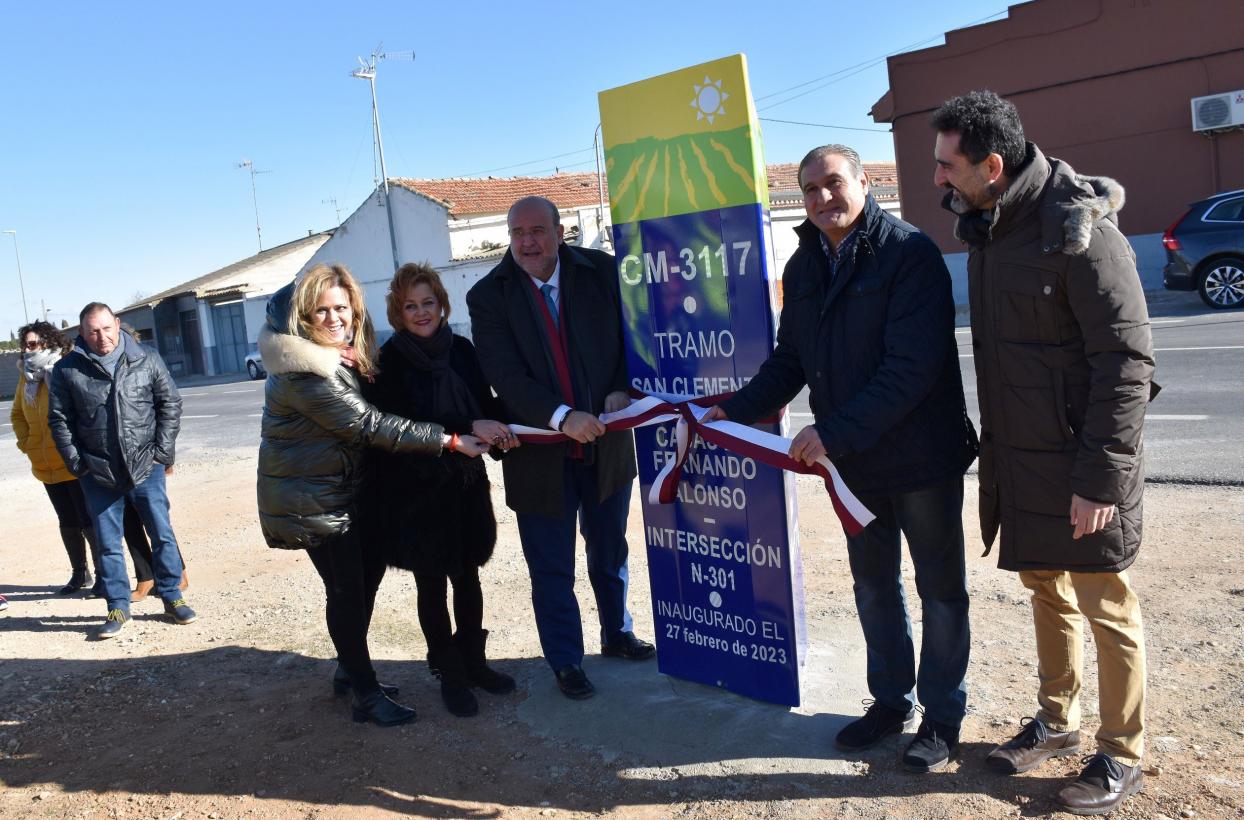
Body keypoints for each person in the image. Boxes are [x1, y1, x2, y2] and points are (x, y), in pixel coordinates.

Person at [705, 144, 978, 772]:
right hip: (856, 468)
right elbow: (792, 359)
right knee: (874, 588)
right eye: (810, 189)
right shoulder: (803, 265)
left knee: (941, 594)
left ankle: (941, 717)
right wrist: (738, 410)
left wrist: (832, 432)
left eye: (833, 184)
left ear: (862, 182)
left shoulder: (909, 254)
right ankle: (890, 702)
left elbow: (910, 370)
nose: (823, 198)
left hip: (920, 461)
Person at [931, 90, 1156, 815]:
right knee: (1046, 593)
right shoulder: (989, 226)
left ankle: (1123, 753)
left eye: (947, 165)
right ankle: (1057, 721)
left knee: (1104, 603)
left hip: (1082, 466)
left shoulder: (1078, 227)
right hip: (1021, 460)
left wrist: (1100, 480)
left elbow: (1126, 363)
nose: (938, 178)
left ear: (991, 165)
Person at [257, 263, 489, 727]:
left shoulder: (337, 359)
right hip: (317, 503)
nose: (334, 317)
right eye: (321, 310)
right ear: (303, 317)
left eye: (341, 308)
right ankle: (364, 692)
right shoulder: (306, 374)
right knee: (348, 593)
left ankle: (351, 672)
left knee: (362, 587)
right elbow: (370, 425)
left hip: (343, 494)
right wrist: (449, 439)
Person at [466, 195, 653, 701]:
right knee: (551, 565)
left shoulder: (602, 272)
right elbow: (504, 374)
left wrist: (622, 386)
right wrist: (562, 417)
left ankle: (617, 634)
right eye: (518, 233)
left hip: (606, 445)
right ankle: (566, 661)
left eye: (537, 231)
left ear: (559, 231)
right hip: (540, 458)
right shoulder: (489, 296)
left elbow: (633, 340)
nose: (527, 242)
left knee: (610, 548)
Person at [362, 262, 519, 718]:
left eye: (428, 302)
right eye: (410, 305)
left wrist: (500, 432)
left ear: (441, 303)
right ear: (397, 311)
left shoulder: (464, 351)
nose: (421, 312)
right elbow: (399, 428)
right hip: (417, 492)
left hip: (467, 486)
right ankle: (448, 672)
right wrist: (469, 425)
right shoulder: (388, 362)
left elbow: (486, 404)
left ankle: (475, 663)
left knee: (468, 578)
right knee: (431, 585)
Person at [47, 303, 195, 638]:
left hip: (146, 466)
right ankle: (117, 606)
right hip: (97, 473)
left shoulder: (147, 358)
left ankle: (172, 597)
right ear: (82, 334)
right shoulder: (68, 370)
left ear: (117, 324)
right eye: (93, 331)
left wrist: (162, 452)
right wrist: (77, 464)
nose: (102, 337)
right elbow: (59, 420)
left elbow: (170, 402)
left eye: (106, 328)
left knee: (162, 533)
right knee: (108, 543)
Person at [12, 321, 101, 595]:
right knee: (67, 521)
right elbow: (17, 413)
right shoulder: (26, 377)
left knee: (87, 520)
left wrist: (71, 450)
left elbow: (79, 412)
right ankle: (79, 573)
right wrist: (27, 443)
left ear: (49, 343)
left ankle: (104, 575)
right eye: (25, 344)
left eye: (33, 344)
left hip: (70, 461)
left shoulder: (61, 370)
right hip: (44, 464)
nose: (28, 349)